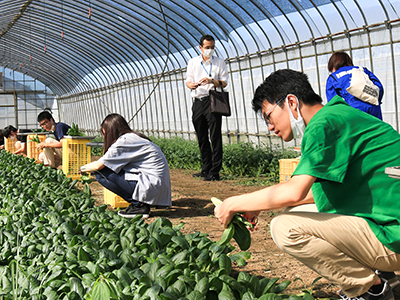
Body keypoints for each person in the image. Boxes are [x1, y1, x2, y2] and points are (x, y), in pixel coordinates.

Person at [214, 69, 400, 300]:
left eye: (269, 116)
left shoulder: (324, 124)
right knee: (296, 211)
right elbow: (316, 193)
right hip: (390, 220)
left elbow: (294, 191)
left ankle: (369, 290)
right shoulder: (338, 115)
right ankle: (388, 277)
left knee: (285, 227)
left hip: (394, 233)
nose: (270, 127)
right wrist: (259, 204)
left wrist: (232, 203)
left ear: (291, 102)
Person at [79, 113, 171, 218]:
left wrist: (82, 168)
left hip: (152, 185)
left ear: (111, 131)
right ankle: (140, 203)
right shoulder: (133, 137)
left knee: (101, 173)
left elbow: (98, 166)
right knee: (107, 169)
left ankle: (139, 205)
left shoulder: (124, 141)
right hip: (156, 185)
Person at [186, 34, 229, 181]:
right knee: (202, 136)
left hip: (213, 100)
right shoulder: (193, 62)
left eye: (212, 48)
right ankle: (206, 168)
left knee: (215, 136)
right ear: (200, 48)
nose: (210, 50)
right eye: (207, 47)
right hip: (198, 101)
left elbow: (224, 83)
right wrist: (191, 85)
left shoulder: (219, 62)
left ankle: (215, 171)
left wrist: (211, 80)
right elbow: (188, 81)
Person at [326, 51, 384, 120]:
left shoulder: (333, 77)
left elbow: (333, 102)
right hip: (373, 107)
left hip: (353, 112)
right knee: (378, 129)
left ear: (333, 65)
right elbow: (379, 87)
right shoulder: (362, 69)